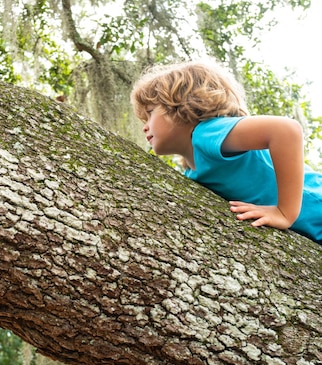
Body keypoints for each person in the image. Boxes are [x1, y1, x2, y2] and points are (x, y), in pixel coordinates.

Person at [130, 61, 322, 244]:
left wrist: (284, 212)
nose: (145, 127)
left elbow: (286, 131)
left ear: (181, 105)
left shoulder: (207, 134)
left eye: (150, 112)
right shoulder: (191, 172)